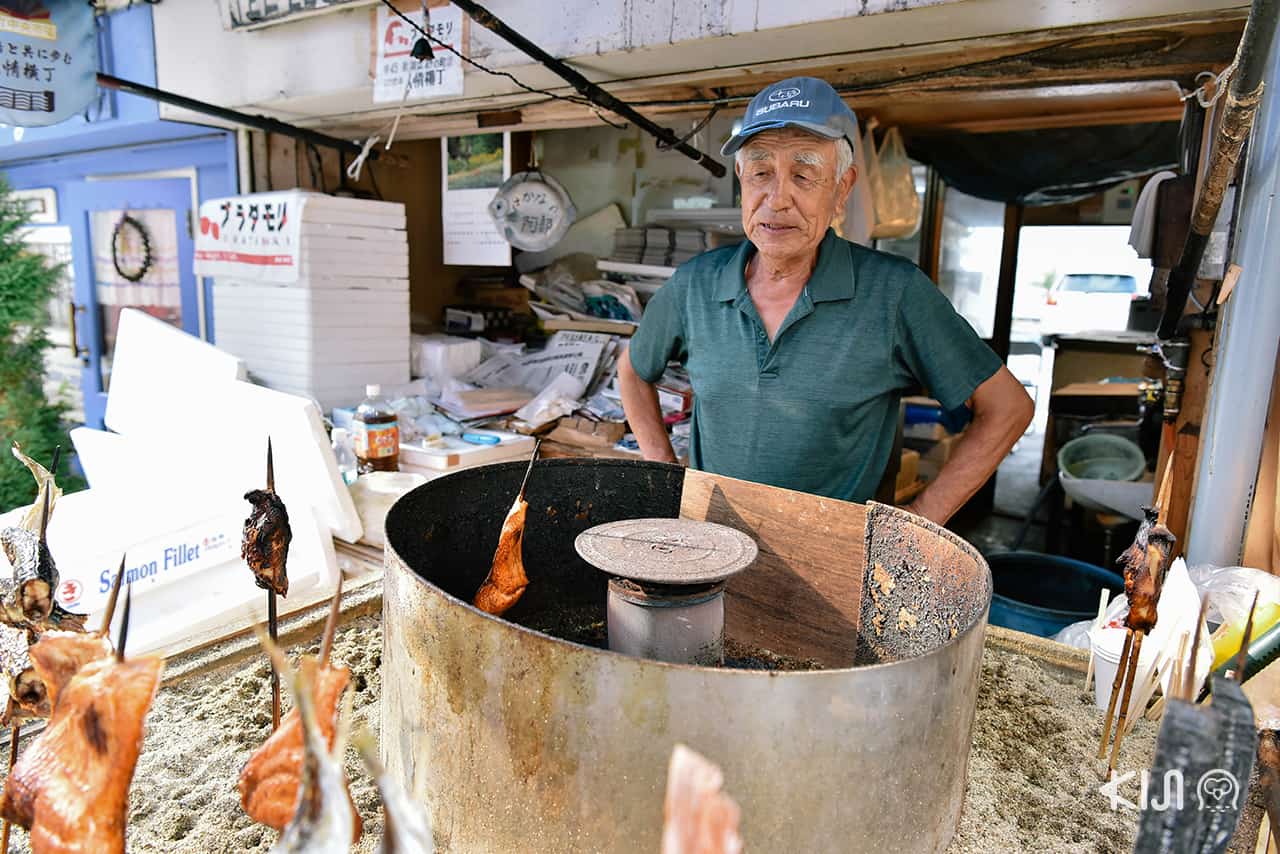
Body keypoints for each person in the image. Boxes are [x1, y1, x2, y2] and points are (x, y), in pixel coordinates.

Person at [618, 76, 1033, 525]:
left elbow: (1008, 408)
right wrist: (665, 477)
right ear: (741, 179)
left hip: (835, 568)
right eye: (760, 172)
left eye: (804, 173)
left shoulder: (894, 293)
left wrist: (916, 522)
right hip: (710, 552)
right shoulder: (695, 285)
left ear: (842, 188)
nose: (777, 199)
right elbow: (634, 370)